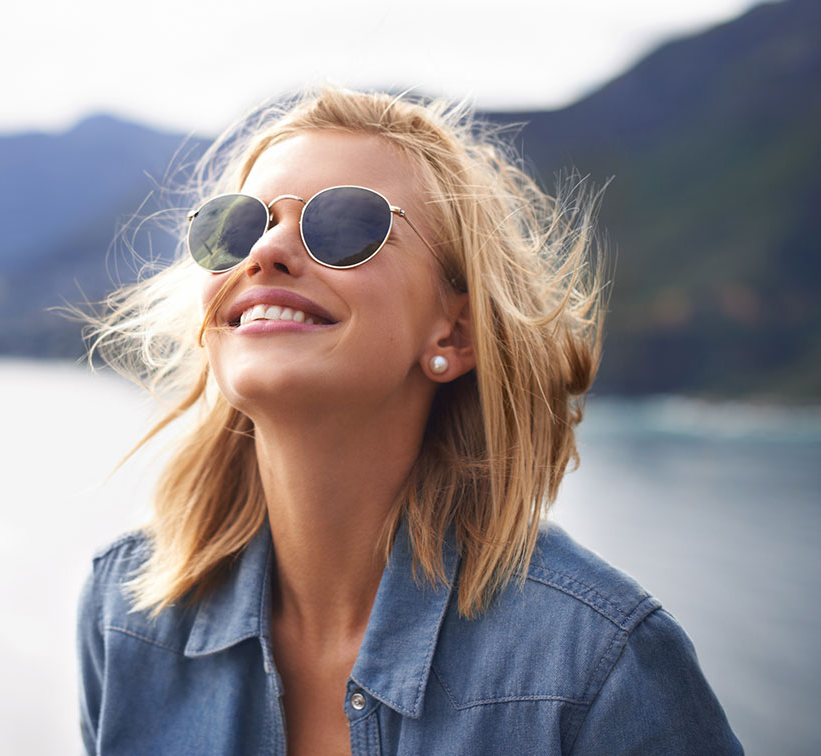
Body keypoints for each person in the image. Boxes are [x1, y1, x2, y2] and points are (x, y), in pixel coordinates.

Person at [76, 87, 742, 755]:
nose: (267, 250)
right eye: (238, 225)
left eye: (342, 225)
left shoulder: (600, 666)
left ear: (454, 333)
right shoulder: (125, 613)